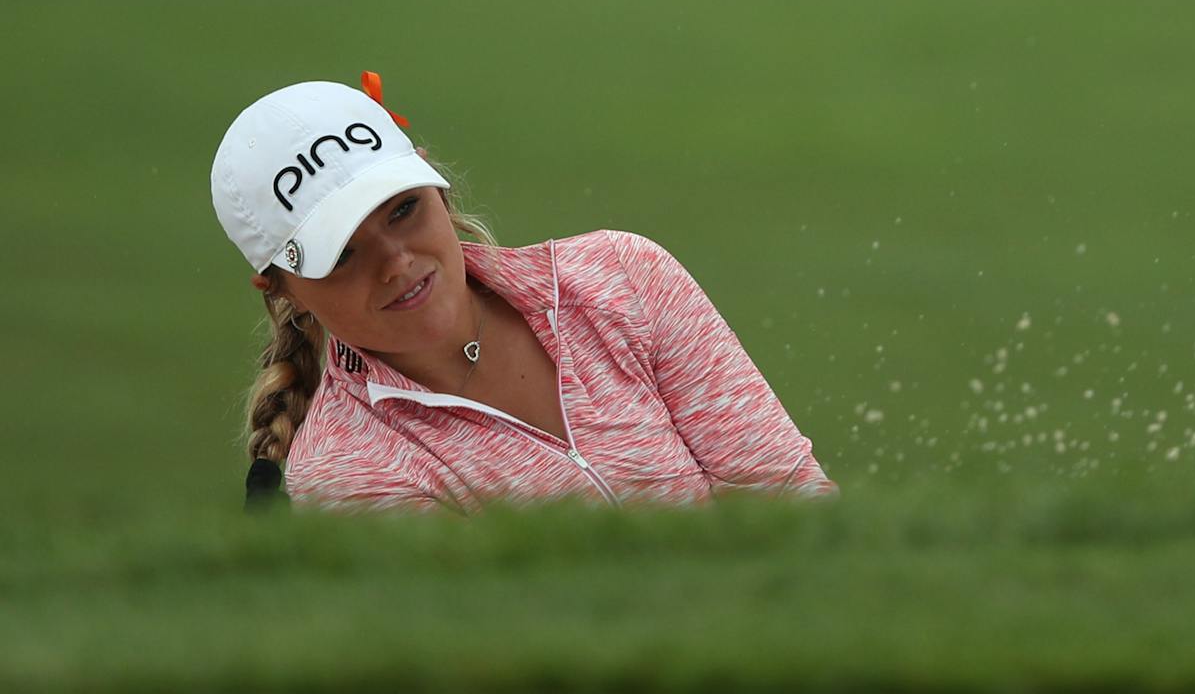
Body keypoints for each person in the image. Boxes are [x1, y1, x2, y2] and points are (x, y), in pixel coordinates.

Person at [210, 75, 834, 512]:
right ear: (282, 287)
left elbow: (791, 506)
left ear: (438, 189)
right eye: (342, 253)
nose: (396, 263)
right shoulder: (350, 475)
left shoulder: (623, 276)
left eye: (403, 211)